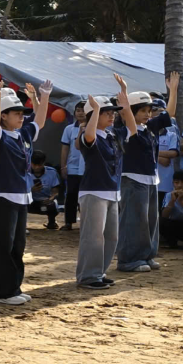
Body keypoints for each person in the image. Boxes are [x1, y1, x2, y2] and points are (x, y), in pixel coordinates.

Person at [0, 79, 52, 305]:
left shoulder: (22, 134)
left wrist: (44, 96)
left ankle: (13, 287)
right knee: (3, 246)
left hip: (22, 197)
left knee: (18, 245)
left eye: (22, 113)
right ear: (3, 116)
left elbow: (39, 121)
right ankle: (1, 292)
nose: (22, 117)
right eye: (16, 113)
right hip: (2, 197)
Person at [115, 74, 178, 273]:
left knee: (150, 221)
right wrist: (124, 93)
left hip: (151, 180)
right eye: (143, 110)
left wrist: (173, 90)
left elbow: (170, 114)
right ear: (131, 111)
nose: (148, 114)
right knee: (133, 221)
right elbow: (126, 114)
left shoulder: (150, 127)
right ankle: (128, 260)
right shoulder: (125, 129)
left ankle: (146, 256)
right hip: (132, 180)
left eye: (149, 110)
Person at [76, 91, 125, 289]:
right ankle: (88, 276)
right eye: (107, 113)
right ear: (93, 116)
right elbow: (89, 135)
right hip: (94, 191)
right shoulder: (88, 135)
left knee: (111, 236)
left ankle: (99, 272)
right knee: (93, 236)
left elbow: (131, 128)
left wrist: (125, 102)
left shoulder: (111, 135)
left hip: (112, 191)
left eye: (113, 112)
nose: (112, 116)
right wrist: (95, 110)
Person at [59, 102, 87, 230]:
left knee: (86, 196)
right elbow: (65, 148)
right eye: (78, 110)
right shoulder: (69, 129)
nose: (80, 113)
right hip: (73, 167)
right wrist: (63, 166)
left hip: (87, 168)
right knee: (71, 195)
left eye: (83, 110)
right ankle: (69, 222)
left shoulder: (93, 127)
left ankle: (86, 222)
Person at [155, 98, 181, 209]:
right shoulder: (146, 133)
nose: (158, 114)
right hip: (150, 183)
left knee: (163, 211)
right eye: (154, 110)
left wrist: (153, 153)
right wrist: (160, 157)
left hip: (165, 183)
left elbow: (173, 153)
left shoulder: (171, 133)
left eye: (161, 111)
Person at [28, 152, 61, 230]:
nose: (36, 167)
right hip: (29, 201)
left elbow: (55, 191)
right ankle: (20, 224)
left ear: (44, 163)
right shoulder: (24, 171)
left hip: (45, 202)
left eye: (39, 165)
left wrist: (51, 198)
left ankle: (52, 222)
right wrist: (30, 190)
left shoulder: (52, 172)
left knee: (53, 204)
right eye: (34, 165)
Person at [161, 170, 183, 248]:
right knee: (161, 222)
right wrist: (172, 201)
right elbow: (164, 215)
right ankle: (174, 243)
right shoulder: (169, 195)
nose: (180, 186)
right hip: (175, 224)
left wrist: (181, 201)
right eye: (176, 182)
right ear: (173, 183)